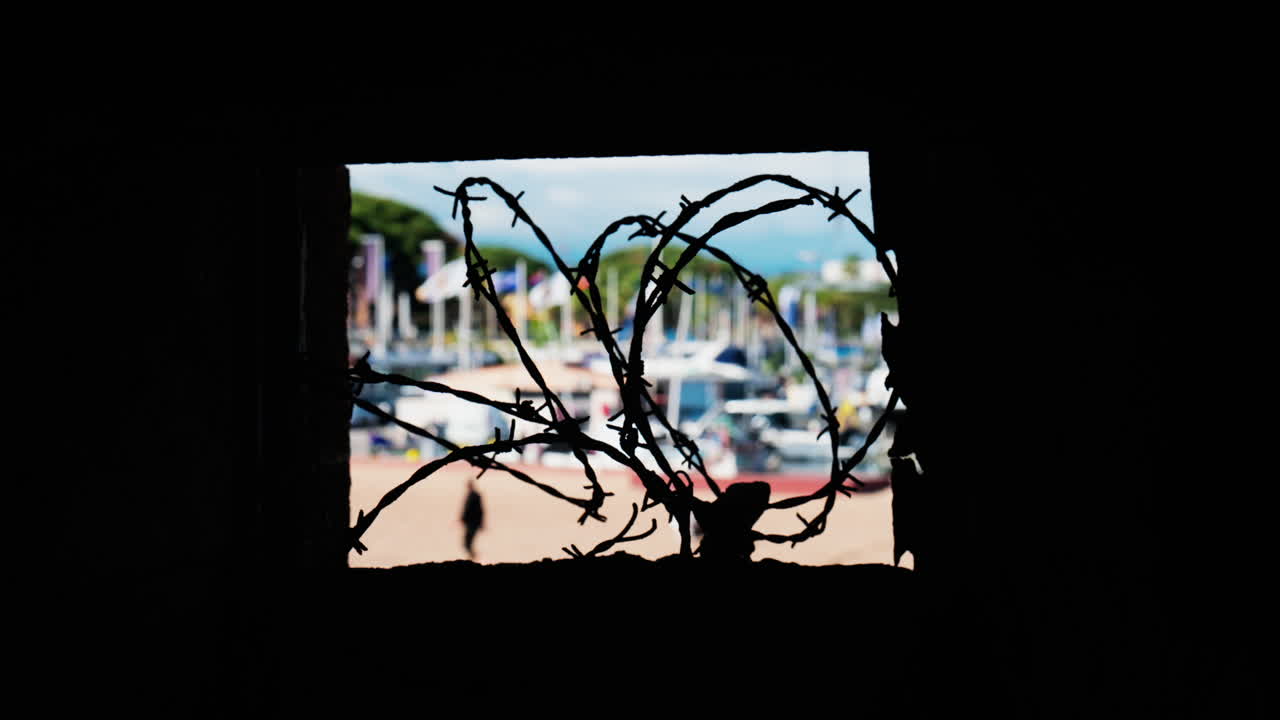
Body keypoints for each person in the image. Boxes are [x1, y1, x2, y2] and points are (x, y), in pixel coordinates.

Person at [460, 478, 484, 560]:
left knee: (467, 542)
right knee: (466, 543)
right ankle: (473, 558)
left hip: (473, 523)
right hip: (470, 523)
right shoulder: (471, 495)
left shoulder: (475, 495)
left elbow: (480, 510)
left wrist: (481, 523)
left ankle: (473, 558)